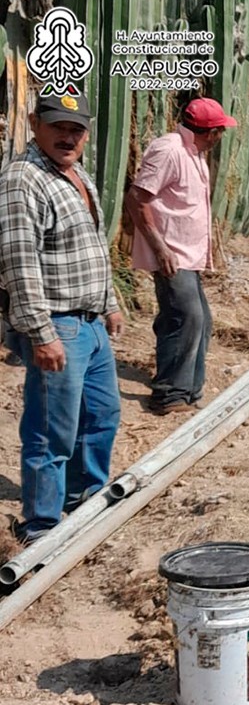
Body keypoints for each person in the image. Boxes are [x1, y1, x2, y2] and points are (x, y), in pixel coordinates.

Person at [0, 90, 123, 545]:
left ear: (87, 134)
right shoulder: (23, 178)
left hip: (89, 324)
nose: (68, 136)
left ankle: (85, 499)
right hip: (58, 325)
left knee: (102, 417)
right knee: (52, 431)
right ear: (35, 124)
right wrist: (41, 333)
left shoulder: (76, 175)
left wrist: (109, 303)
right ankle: (41, 527)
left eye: (76, 129)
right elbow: (19, 261)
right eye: (58, 126)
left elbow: (91, 246)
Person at [125, 97, 236, 415]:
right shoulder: (169, 150)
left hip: (188, 253)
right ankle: (168, 395)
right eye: (220, 131)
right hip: (171, 253)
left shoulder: (195, 153)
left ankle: (188, 390)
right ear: (211, 132)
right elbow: (137, 199)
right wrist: (160, 248)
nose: (221, 137)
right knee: (184, 317)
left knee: (199, 318)